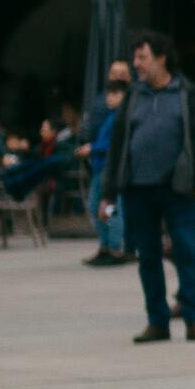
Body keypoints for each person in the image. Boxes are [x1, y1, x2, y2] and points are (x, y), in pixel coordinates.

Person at [100, 31, 195, 344]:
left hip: (176, 188)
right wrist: (108, 194)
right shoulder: (133, 97)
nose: (136, 64)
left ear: (162, 58)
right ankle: (157, 321)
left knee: (185, 251)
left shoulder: (188, 94)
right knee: (148, 256)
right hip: (137, 188)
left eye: (143, 57)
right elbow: (117, 147)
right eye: (136, 58)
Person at [78, 80, 131, 266]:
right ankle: (106, 245)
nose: (111, 97)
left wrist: (92, 149)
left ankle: (114, 248)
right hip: (101, 169)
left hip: (112, 170)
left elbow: (114, 146)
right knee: (98, 207)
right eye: (109, 94)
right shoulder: (111, 116)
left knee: (113, 209)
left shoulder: (123, 118)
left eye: (116, 94)